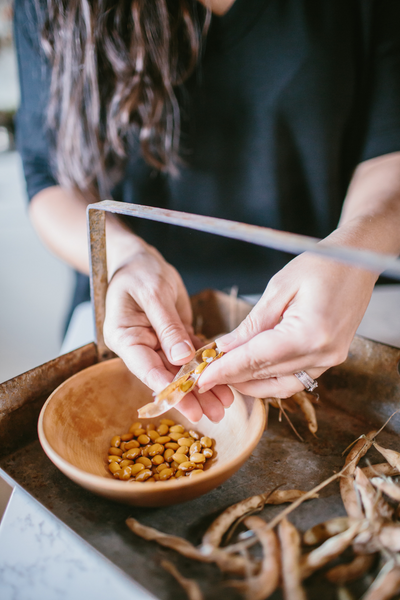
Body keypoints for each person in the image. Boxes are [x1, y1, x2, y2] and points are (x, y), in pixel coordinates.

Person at [14, 0, 400, 423]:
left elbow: (389, 152)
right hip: (136, 313)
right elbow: (48, 178)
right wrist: (123, 259)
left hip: (338, 298)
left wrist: (354, 254)